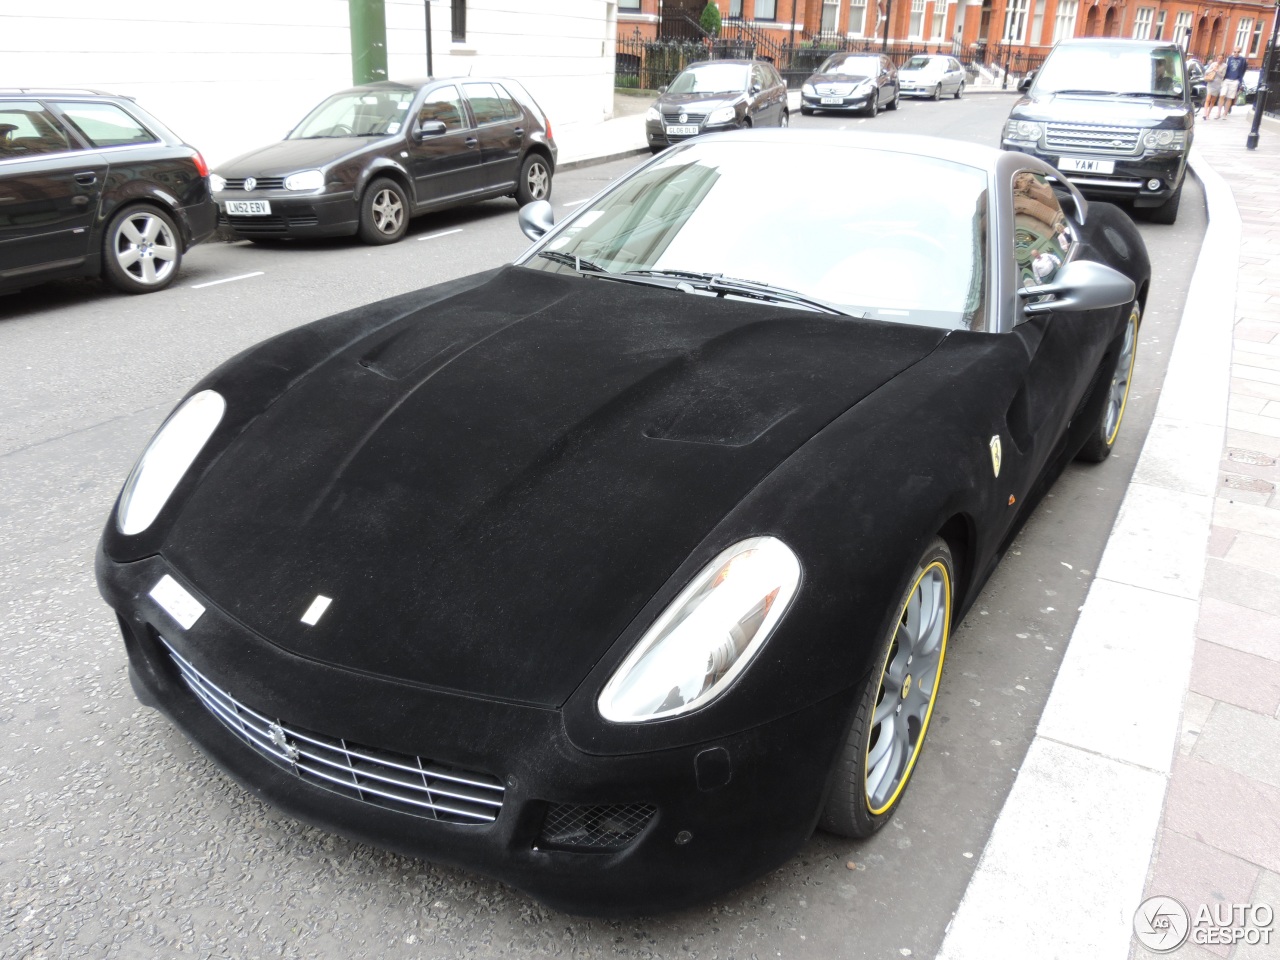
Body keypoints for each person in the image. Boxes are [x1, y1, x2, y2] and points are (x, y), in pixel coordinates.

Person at [1222, 47, 1248, 116]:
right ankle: (1225, 106)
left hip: (1236, 79)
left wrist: (1240, 79)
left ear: (1240, 52)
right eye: (1235, 52)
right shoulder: (1229, 58)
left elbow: (1244, 69)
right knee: (1224, 94)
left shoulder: (1242, 60)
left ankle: (1228, 108)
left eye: (1238, 52)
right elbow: (1226, 68)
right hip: (1227, 78)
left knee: (1231, 96)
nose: (1236, 53)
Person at [1201, 55, 1225, 120]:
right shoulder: (1213, 64)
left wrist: (1217, 71)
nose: (1219, 59)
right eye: (1218, 58)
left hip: (1217, 85)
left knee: (1213, 101)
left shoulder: (1224, 66)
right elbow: (1206, 72)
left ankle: (1208, 113)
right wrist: (1212, 69)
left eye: (1221, 58)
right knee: (1207, 99)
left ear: (1223, 59)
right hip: (1211, 83)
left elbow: (1223, 76)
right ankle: (1205, 114)